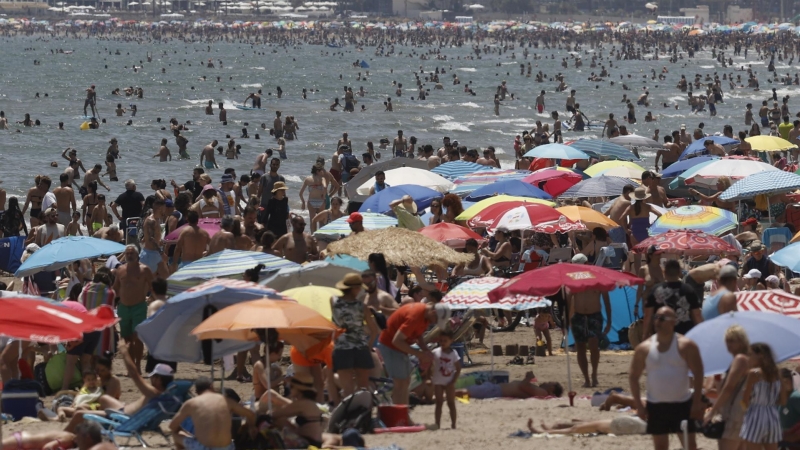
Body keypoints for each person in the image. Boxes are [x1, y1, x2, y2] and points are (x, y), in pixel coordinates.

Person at [629, 306, 705, 450]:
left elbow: (699, 373)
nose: (657, 322)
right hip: (656, 406)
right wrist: (639, 405)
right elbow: (633, 377)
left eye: (662, 318)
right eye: (655, 318)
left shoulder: (686, 345)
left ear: (673, 321)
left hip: (682, 404)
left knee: (691, 446)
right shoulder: (644, 348)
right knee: (660, 446)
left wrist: (696, 403)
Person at [65, 342, 172, 432]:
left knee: (79, 413)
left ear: (158, 379)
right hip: (123, 409)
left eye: (153, 377)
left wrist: (125, 352)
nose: (151, 379)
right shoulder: (168, 395)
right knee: (104, 398)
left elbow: (134, 374)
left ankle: (65, 436)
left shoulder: (152, 392)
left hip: (123, 417)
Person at [378, 302, 451, 405]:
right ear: (433, 312)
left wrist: (425, 349)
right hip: (391, 346)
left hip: (399, 348)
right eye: (436, 320)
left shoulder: (426, 316)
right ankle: (399, 415)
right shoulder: (415, 316)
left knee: (406, 382)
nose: (434, 323)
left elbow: (418, 334)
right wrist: (420, 354)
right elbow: (396, 341)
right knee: (400, 383)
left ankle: (404, 414)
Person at [169, 377, 255, 450]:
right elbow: (250, 414)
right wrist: (251, 426)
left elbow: (172, 426)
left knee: (176, 434)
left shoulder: (192, 403)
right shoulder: (226, 401)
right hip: (227, 448)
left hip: (204, 448)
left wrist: (187, 434)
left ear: (197, 391)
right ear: (211, 387)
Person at [331, 273, 379, 398]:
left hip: (342, 347)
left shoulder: (333, 301)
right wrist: (368, 347)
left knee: (347, 389)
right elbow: (374, 330)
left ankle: (349, 414)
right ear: (354, 288)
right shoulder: (362, 307)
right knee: (363, 387)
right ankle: (362, 413)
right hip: (360, 347)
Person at [703, 325, 750, 450]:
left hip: (734, 413)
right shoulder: (747, 359)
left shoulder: (740, 359)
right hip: (742, 411)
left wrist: (712, 412)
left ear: (741, 341)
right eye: (727, 341)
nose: (728, 344)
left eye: (732, 340)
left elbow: (729, 388)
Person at [113, 245, 154, 373]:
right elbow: (116, 287)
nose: (129, 255)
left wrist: (152, 298)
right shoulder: (120, 270)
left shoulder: (144, 269)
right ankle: (131, 366)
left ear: (137, 255)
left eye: (132, 253)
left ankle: (137, 365)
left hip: (139, 307)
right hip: (123, 307)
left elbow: (153, 286)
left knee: (137, 337)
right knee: (126, 338)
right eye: (127, 253)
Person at [569, 268, 612, 388]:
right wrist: (566, 320)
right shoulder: (573, 281)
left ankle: (594, 374)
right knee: (580, 347)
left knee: (594, 346)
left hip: (595, 316)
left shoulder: (598, 281)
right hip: (578, 316)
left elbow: (607, 302)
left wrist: (609, 321)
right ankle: (586, 378)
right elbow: (568, 301)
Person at [643, 259, 702, 340]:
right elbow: (696, 315)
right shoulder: (688, 290)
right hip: (685, 336)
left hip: (662, 336)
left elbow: (648, 315)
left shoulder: (655, 290)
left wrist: (645, 335)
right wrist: (702, 334)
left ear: (664, 272)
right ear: (679, 272)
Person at [740, 343, 785, 449]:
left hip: (755, 415)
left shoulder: (754, 374)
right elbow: (782, 400)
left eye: (750, 354)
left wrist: (744, 411)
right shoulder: (778, 374)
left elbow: (745, 401)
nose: (748, 358)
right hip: (773, 417)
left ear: (760, 355)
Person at [455, 371, 563, 399]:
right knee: (470, 391)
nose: (545, 382)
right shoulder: (540, 391)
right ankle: (448, 395)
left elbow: (523, 386)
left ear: (552, 388)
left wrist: (528, 377)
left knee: (469, 392)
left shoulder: (543, 392)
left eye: (549, 383)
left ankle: (446, 396)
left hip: (496, 391)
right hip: (496, 389)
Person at [432, 331, 461, 429]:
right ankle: (437, 424)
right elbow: (430, 366)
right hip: (438, 381)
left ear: (451, 341)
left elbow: (458, 368)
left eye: (445, 340)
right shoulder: (435, 352)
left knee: (451, 403)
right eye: (441, 340)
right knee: (439, 403)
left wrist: (453, 381)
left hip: (449, 382)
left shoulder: (453, 353)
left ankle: (453, 424)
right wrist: (428, 378)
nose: (443, 342)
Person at [299, 165, 330, 232]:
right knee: (321, 221)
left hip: (311, 201)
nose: (322, 172)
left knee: (313, 221)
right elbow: (325, 187)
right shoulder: (322, 179)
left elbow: (300, 193)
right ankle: (321, 236)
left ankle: (313, 237)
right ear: (317, 171)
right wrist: (323, 196)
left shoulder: (308, 179)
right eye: (321, 170)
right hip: (321, 201)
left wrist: (303, 202)